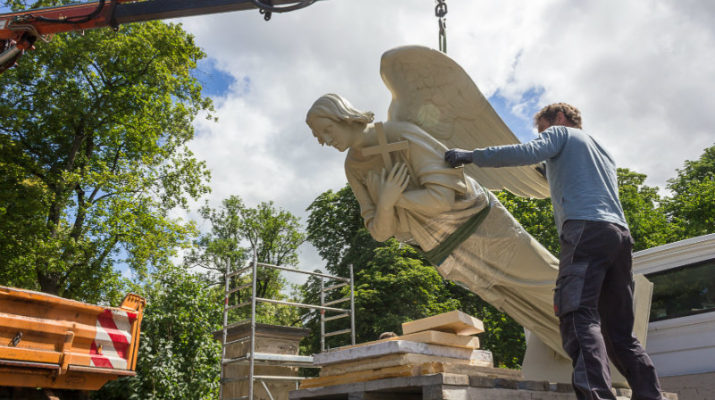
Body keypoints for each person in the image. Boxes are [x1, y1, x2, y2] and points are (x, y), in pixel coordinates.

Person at [306, 93, 568, 358]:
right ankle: (577, 352)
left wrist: (398, 198)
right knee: (517, 303)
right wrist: (386, 203)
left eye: (327, 130)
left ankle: (605, 318)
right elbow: (380, 232)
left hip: (480, 224)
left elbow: (442, 198)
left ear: (343, 116)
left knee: (544, 280)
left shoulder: (402, 134)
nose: (326, 140)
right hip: (448, 249)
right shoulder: (353, 167)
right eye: (319, 137)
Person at [445, 103, 664, 400]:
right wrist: (548, 171)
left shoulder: (560, 133)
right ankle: (650, 394)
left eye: (542, 130)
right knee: (619, 330)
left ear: (559, 118)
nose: (542, 136)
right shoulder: (601, 151)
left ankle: (596, 396)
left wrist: (472, 156)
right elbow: (573, 178)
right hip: (619, 237)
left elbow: (526, 152)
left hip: (585, 231)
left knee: (577, 314)